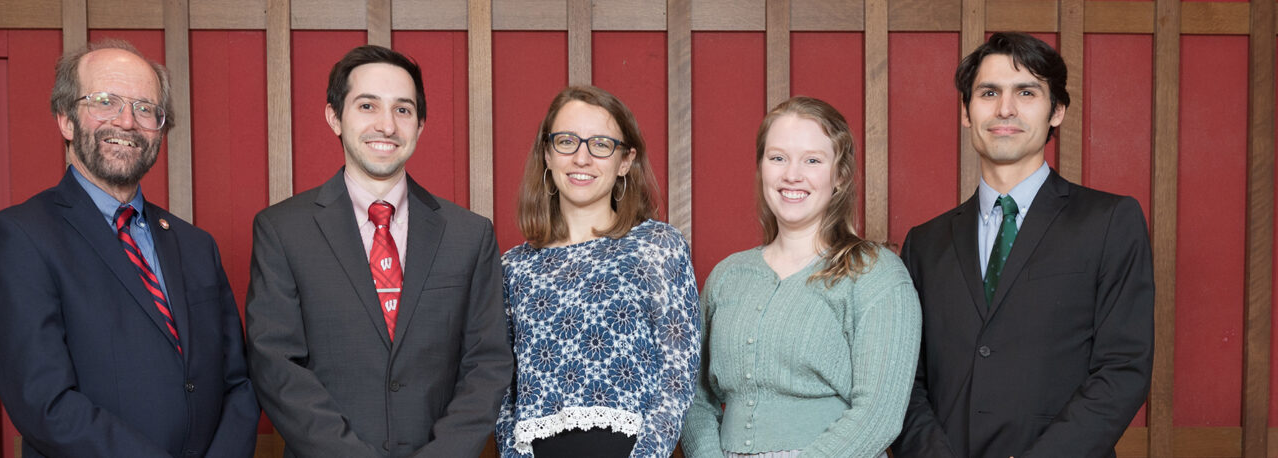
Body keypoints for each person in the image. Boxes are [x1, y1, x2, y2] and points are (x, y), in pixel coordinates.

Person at [0, 40, 258, 457]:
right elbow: (44, 403)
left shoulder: (196, 245)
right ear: (66, 120)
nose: (127, 122)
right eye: (105, 102)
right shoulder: (18, 237)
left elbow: (238, 383)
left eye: (145, 108)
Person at [892, 32, 1154, 458]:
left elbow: (1123, 368)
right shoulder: (925, 243)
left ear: (1057, 111)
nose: (1005, 109)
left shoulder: (1109, 221)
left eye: (1027, 92)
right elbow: (904, 379)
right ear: (966, 111)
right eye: (989, 92)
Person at [244, 44, 513, 457]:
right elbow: (276, 366)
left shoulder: (469, 235)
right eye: (367, 106)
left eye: (403, 110)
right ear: (335, 117)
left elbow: (487, 364)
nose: (386, 125)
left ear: (420, 125)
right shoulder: (282, 230)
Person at [679, 96, 921, 458]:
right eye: (778, 158)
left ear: (839, 175)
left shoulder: (875, 273)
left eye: (812, 160)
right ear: (762, 167)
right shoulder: (727, 276)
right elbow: (695, 398)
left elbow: (879, 415)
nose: (792, 174)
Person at [494, 85, 701, 458]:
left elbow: (678, 372)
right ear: (547, 154)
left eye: (601, 144)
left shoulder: (658, 246)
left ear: (625, 161)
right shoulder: (513, 268)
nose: (582, 158)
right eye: (567, 141)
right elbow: (502, 393)